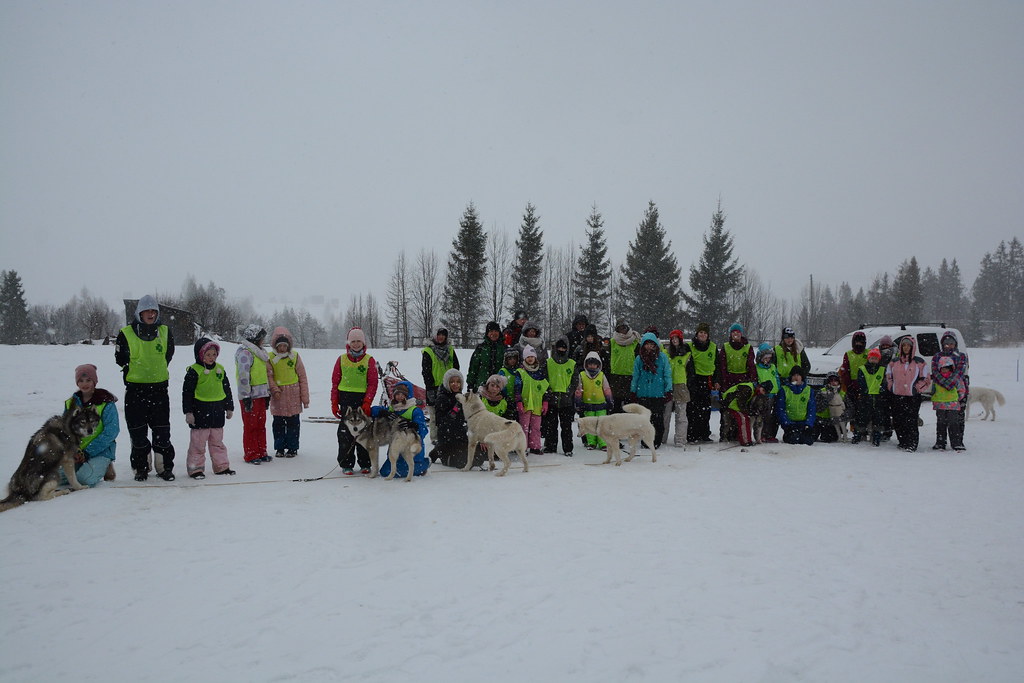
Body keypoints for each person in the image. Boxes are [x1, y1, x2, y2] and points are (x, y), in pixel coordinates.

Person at [114, 295, 176, 482]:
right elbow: (120, 358)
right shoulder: (126, 333)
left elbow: (168, 354)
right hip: (135, 392)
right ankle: (141, 467)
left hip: (159, 391)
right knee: (138, 431)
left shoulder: (165, 331)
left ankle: (164, 467)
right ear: (139, 313)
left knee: (162, 431)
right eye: (147, 311)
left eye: (154, 311)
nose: (150, 314)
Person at [182, 338, 236, 479]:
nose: (211, 358)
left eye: (214, 354)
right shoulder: (194, 371)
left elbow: (226, 389)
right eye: (208, 355)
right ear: (200, 355)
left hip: (217, 412)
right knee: (198, 444)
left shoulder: (220, 370)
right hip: (200, 412)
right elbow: (187, 393)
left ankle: (221, 466)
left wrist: (229, 407)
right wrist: (188, 412)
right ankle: (196, 469)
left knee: (217, 443)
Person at [331, 327, 380, 475]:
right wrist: (334, 402)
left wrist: (367, 402)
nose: (356, 344)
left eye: (359, 341)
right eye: (353, 341)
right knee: (345, 434)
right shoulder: (341, 359)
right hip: (345, 400)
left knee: (364, 433)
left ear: (363, 343)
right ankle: (346, 463)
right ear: (349, 343)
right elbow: (335, 382)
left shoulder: (369, 360)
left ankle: (365, 463)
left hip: (361, 401)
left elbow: (372, 383)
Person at [62, 364, 119, 486]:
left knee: (84, 479)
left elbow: (112, 431)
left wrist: (88, 452)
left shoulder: (106, 402)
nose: (85, 384)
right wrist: (74, 451)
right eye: (81, 381)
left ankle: (105, 465)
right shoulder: (70, 404)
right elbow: (65, 430)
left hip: (100, 451)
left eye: (88, 380)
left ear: (94, 381)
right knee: (55, 477)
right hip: (76, 453)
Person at [267, 326, 310, 457]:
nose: (282, 348)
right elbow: (269, 376)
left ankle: (292, 447)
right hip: (278, 395)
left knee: (293, 423)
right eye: (280, 346)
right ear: (275, 345)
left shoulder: (294, 356)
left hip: (294, 394)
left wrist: (305, 398)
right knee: (278, 423)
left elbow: (302, 377)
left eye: (285, 346)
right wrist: (274, 389)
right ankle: (279, 447)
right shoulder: (270, 358)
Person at [429, 369, 485, 468]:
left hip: (460, 437)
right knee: (463, 462)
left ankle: (439, 450)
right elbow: (442, 423)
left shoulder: (461, 397)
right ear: (447, 383)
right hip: (447, 440)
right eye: (452, 382)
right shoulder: (442, 398)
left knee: (480, 457)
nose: (455, 384)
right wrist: (457, 407)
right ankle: (440, 450)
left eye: (458, 382)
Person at [373, 380, 430, 478]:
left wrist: (413, 425)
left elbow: (423, 430)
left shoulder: (415, 410)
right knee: (385, 472)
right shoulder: (392, 409)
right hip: (397, 449)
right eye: (397, 394)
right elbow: (373, 410)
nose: (399, 396)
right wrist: (383, 412)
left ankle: (423, 464)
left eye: (403, 394)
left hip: (412, 449)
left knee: (398, 472)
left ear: (408, 395)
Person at [235, 324, 272, 465]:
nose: (263, 340)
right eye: (262, 338)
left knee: (261, 425)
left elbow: (264, 375)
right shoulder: (245, 353)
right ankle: (251, 454)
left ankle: (262, 451)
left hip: (261, 395)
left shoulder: (260, 353)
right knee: (250, 426)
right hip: (249, 396)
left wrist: (267, 393)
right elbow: (243, 376)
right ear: (255, 338)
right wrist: (245, 396)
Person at [886, 336, 930, 452]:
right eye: (904, 345)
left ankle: (912, 443)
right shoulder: (894, 362)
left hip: (912, 397)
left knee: (911, 420)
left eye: (908, 346)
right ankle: (902, 442)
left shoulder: (919, 362)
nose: (906, 348)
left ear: (912, 347)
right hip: (897, 395)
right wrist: (892, 387)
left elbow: (926, 379)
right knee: (898, 420)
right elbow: (888, 377)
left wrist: (916, 388)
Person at [630, 332, 672, 449]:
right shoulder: (639, 359)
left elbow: (667, 374)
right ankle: (645, 441)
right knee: (644, 420)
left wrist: (668, 389)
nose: (649, 347)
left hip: (658, 393)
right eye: (647, 344)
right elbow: (636, 376)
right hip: (643, 393)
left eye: (651, 344)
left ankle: (657, 440)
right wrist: (633, 391)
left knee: (658, 419)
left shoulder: (662, 357)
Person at [931, 331, 969, 452]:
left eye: (951, 343)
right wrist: (945, 382)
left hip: (957, 391)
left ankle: (957, 442)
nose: (948, 345)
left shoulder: (961, 356)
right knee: (941, 420)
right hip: (941, 394)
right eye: (946, 343)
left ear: (955, 343)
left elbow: (959, 372)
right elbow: (935, 372)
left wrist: (951, 383)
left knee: (957, 420)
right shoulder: (937, 356)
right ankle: (940, 442)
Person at [718, 323, 756, 441]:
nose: (735, 334)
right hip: (728, 380)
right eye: (733, 332)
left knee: (740, 408)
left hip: (743, 381)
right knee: (726, 409)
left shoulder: (747, 347)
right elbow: (722, 366)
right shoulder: (726, 347)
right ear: (730, 334)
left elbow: (751, 365)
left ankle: (738, 434)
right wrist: (723, 383)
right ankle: (725, 434)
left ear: (741, 334)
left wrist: (753, 380)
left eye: (738, 332)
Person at [421, 327, 459, 441]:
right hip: (434, 387)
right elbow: (426, 371)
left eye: (443, 334)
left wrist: (454, 382)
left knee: (450, 413)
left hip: (449, 386)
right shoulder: (428, 351)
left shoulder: (450, 350)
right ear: (434, 336)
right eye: (439, 334)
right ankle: (435, 437)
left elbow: (456, 367)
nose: (441, 337)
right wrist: (430, 387)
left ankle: (449, 435)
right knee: (434, 415)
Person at [685, 322, 719, 444]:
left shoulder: (713, 347)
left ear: (708, 335)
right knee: (692, 409)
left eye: (705, 333)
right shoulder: (690, 346)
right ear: (697, 334)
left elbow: (717, 364)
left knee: (705, 410)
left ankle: (704, 434)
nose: (703, 335)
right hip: (694, 380)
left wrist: (716, 380)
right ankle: (692, 435)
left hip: (707, 380)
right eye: (701, 332)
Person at [543, 336, 576, 455]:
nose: (561, 350)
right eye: (559, 348)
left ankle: (568, 448)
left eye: (564, 348)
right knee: (551, 426)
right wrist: (549, 391)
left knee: (566, 426)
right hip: (552, 399)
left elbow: (574, 381)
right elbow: (545, 378)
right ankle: (551, 447)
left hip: (566, 400)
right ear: (556, 348)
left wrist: (569, 392)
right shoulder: (549, 362)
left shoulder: (572, 363)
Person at [573, 352, 613, 450]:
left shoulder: (602, 375)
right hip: (587, 404)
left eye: (594, 364)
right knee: (589, 425)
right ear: (586, 364)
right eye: (590, 364)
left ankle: (603, 443)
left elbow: (606, 389)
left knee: (602, 424)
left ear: (598, 365)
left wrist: (609, 401)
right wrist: (578, 402)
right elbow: (579, 390)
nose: (592, 366)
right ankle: (591, 442)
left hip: (601, 404)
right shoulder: (582, 375)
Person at [516, 346, 549, 455]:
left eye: (532, 356)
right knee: (524, 427)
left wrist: (545, 402)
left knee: (535, 427)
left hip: (537, 405)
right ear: (524, 358)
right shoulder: (520, 372)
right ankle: (522, 447)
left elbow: (545, 389)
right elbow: (517, 388)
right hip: (525, 404)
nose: (530, 359)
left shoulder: (540, 372)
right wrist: (519, 401)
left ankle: (535, 446)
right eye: (528, 357)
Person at [720, 381, 772, 448]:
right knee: (743, 419)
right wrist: (749, 412)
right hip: (730, 404)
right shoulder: (748, 389)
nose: (763, 393)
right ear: (760, 386)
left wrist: (750, 411)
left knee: (744, 419)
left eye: (765, 392)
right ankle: (746, 441)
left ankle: (741, 438)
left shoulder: (754, 390)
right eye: (763, 390)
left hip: (732, 404)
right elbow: (740, 403)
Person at [852, 348, 886, 446]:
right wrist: (865, 390)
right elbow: (861, 381)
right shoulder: (862, 368)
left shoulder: (882, 369)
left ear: (879, 359)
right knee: (861, 417)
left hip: (878, 398)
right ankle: (857, 435)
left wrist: (882, 389)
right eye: (872, 358)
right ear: (868, 358)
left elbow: (884, 381)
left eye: (876, 358)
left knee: (878, 419)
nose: (873, 360)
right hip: (865, 398)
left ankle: (876, 437)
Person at [776, 367, 816, 445]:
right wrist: (787, 424)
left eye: (798, 375)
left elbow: (812, 409)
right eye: (794, 375)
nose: (796, 377)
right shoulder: (784, 390)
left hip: (804, 424)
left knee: (807, 441)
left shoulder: (808, 390)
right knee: (793, 439)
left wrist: (809, 424)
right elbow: (780, 409)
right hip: (791, 424)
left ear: (802, 377)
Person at [665, 330, 691, 448]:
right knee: (665, 414)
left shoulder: (687, 353)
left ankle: (680, 439)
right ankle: (662, 437)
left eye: (677, 338)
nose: (674, 340)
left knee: (681, 415)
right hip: (667, 385)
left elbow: (690, 372)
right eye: (672, 338)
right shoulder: (665, 353)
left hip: (681, 386)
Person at [608, 321, 640, 413]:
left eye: (624, 327)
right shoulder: (612, 342)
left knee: (628, 407)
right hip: (615, 377)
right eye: (620, 328)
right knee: (615, 406)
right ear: (617, 329)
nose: (623, 330)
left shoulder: (635, 341)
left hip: (630, 377)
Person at [466, 321, 505, 391]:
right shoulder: (481, 348)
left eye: (496, 331)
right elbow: (473, 367)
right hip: (482, 385)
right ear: (487, 333)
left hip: (499, 387)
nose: (493, 333)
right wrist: (470, 384)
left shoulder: (504, 348)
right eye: (491, 331)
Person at [754, 343, 781, 443]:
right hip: (762, 396)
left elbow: (777, 379)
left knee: (771, 417)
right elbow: (755, 381)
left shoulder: (773, 367)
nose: (767, 360)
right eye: (765, 358)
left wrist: (778, 388)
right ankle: (760, 435)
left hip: (773, 395)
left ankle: (769, 435)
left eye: (769, 358)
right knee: (762, 416)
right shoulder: (757, 368)